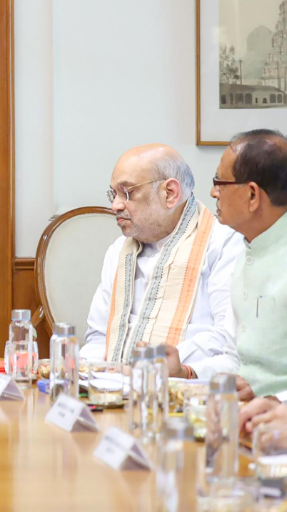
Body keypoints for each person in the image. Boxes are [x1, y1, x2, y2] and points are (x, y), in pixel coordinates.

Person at [80, 144, 243, 379]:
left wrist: (156, 367)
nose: (115, 205)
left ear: (170, 194)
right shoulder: (118, 251)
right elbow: (98, 336)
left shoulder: (222, 244)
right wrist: (88, 373)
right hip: (111, 391)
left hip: (186, 392)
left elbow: (228, 339)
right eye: (113, 194)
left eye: (127, 193)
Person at [214, 129, 287, 401]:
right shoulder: (250, 245)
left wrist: (276, 399)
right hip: (248, 419)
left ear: (252, 195)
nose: (213, 192)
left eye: (219, 182)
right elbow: (234, 356)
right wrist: (189, 373)